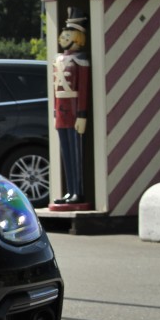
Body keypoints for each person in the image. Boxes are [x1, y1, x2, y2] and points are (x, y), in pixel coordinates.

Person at [52, 15, 91, 206]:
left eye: (68, 33)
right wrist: (54, 112)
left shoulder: (81, 60)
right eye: (64, 33)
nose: (64, 36)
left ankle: (78, 191)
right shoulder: (59, 58)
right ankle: (69, 190)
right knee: (65, 152)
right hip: (61, 111)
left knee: (76, 153)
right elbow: (54, 89)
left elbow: (83, 89)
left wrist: (82, 113)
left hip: (75, 110)